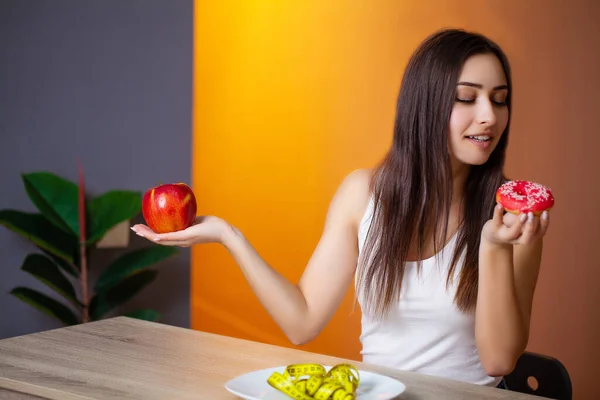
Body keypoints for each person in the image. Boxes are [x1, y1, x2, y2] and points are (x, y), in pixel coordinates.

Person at [131, 28, 550, 389]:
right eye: (466, 98)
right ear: (425, 105)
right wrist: (227, 234)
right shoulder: (362, 193)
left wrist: (492, 247)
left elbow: (499, 362)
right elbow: (303, 323)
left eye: (499, 100)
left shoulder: (512, 213)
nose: (489, 117)